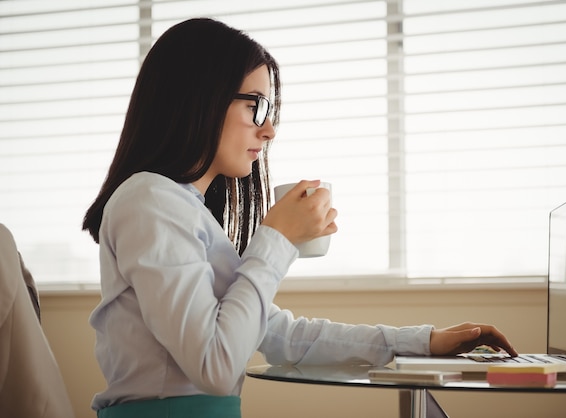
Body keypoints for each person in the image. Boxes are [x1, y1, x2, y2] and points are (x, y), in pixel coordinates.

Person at [82, 18, 517, 418]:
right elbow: (214, 366)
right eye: (255, 106)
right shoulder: (150, 199)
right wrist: (276, 237)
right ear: (199, 98)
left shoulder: (183, 209)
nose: (268, 130)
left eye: (269, 111)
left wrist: (423, 342)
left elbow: (285, 337)